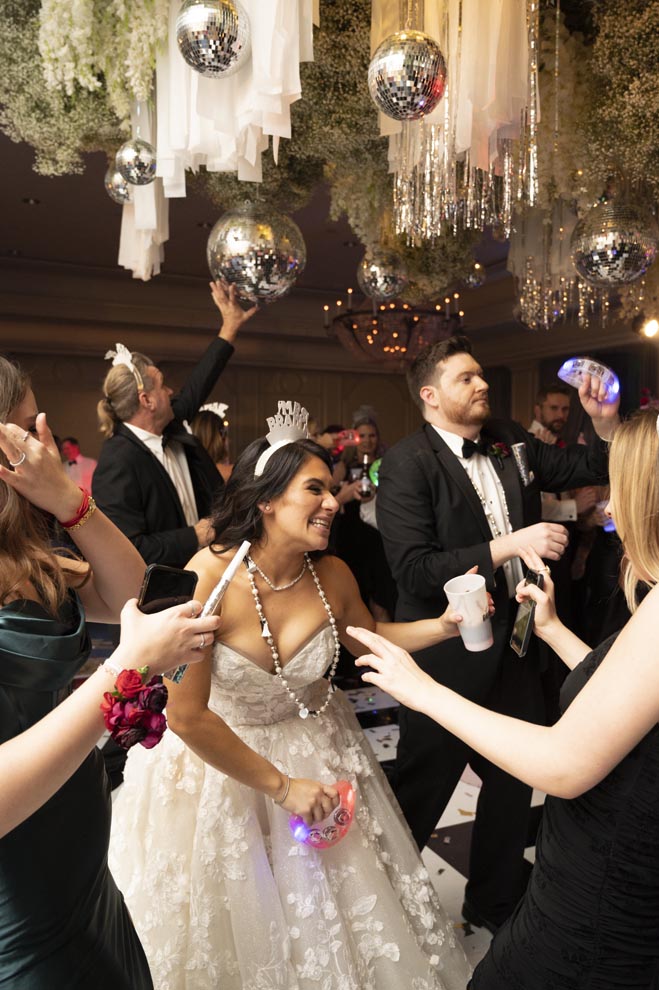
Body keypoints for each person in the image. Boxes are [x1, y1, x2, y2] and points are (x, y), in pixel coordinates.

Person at [109, 403, 475, 990]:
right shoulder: (207, 579)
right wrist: (283, 787)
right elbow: (186, 715)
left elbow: (369, 639)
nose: (334, 502)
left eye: (332, 490)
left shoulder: (331, 574)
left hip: (317, 742)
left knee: (327, 919)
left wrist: (445, 625)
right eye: (316, 489)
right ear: (266, 500)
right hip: (217, 767)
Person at [351, 406, 659, 989]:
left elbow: (563, 764)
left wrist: (425, 692)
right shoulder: (410, 463)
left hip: (600, 893)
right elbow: (630, 691)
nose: (611, 509)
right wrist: (554, 631)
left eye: (620, 490)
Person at [375, 335, 618, 933]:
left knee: (515, 784)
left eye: (482, 375)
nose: (483, 384)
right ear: (431, 396)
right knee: (423, 785)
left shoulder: (510, 440)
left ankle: (494, 899)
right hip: (445, 655)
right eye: (466, 378)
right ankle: (381, 907)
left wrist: (603, 420)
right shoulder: (407, 463)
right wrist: (510, 544)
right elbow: (414, 570)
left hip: (518, 642)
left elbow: (593, 465)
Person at [0, 356, 221, 988]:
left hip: (84, 871)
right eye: (23, 431)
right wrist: (124, 669)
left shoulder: (30, 551)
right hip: (22, 913)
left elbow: (135, 592)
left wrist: (71, 501)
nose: (44, 447)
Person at [93, 281, 257, 568]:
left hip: (207, 572)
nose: (171, 392)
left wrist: (229, 328)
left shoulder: (169, 427)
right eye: (162, 386)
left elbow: (197, 386)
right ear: (147, 401)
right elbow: (127, 549)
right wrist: (196, 535)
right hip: (165, 592)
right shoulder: (117, 460)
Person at [189, 402, 233, 483]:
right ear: (220, 437)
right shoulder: (233, 474)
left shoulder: (186, 474)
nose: (229, 441)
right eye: (225, 434)